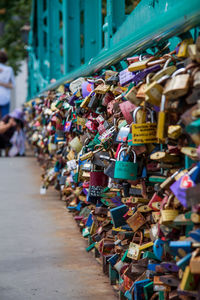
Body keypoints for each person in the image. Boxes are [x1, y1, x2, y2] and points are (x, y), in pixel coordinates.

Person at [0, 50, 15, 118]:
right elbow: (12, 85)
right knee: (4, 120)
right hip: (5, 98)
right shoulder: (9, 69)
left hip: (4, 97)